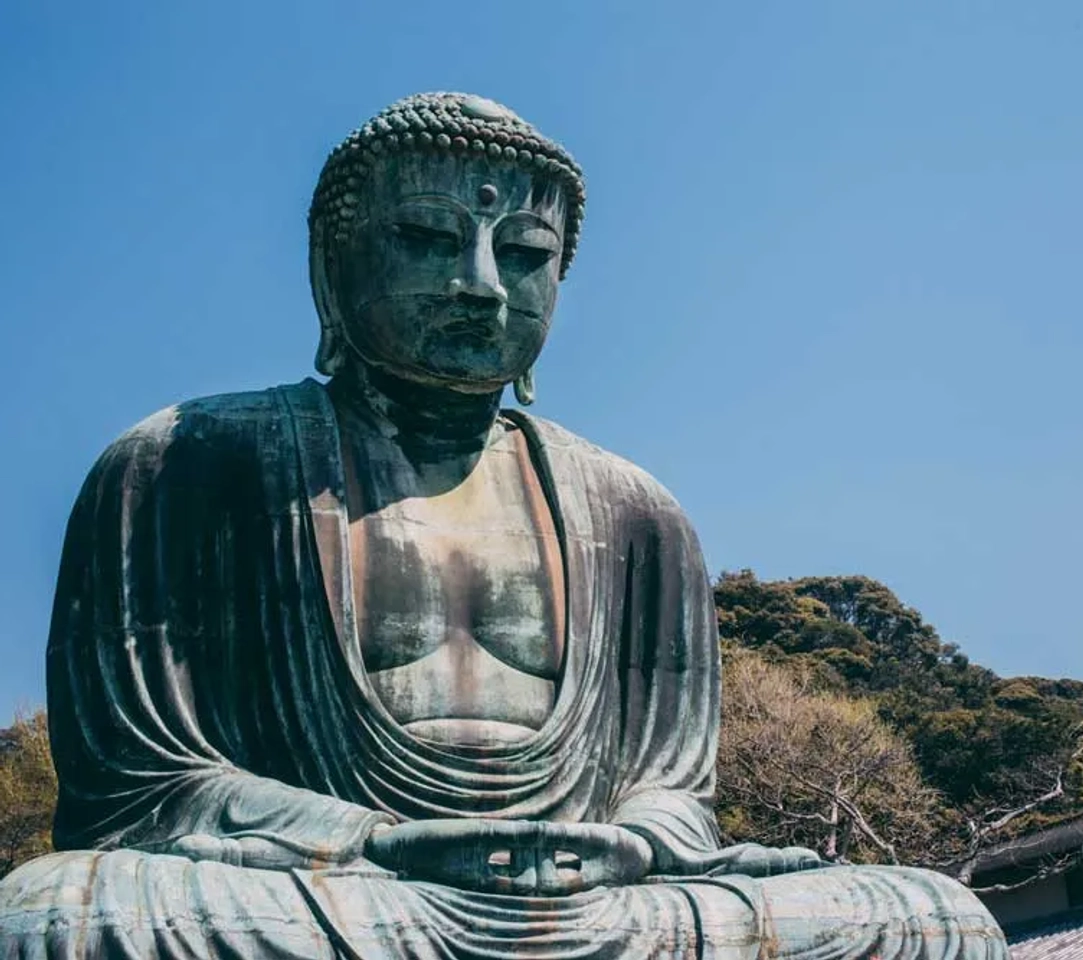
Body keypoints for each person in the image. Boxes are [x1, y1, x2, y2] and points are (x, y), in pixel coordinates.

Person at [0, 92, 1008, 960]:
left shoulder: (635, 512)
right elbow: (141, 790)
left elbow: (668, 794)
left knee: (935, 919)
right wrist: (374, 841)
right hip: (347, 897)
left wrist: (634, 842)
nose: (480, 283)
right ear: (331, 260)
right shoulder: (189, 461)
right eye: (428, 238)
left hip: (598, 910)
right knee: (57, 917)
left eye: (524, 253)